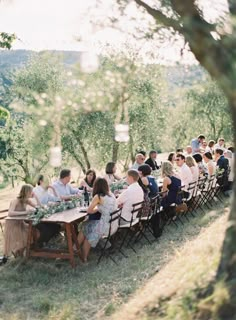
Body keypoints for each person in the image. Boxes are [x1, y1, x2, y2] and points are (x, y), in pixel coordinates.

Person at [77, 178, 117, 262]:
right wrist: (97, 209)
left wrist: (95, 209)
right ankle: (75, 249)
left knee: (88, 236)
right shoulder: (111, 194)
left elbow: (89, 211)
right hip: (113, 224)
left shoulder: (98, 196)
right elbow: (105, 208)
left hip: (105, 227)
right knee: (85, 225)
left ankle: (83, 258)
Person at [3, 185, 39, 257]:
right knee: (25, 234)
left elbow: (37, 207)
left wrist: (36, 197)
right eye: (31, 191)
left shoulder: (27, 200)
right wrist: (25, 212)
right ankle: (19, 252)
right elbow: (10, 213)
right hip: (12, 224)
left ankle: (22, 252)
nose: (32, 193)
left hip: (20, 222)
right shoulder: (15, 201)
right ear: (27, 192)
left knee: (34, 231)